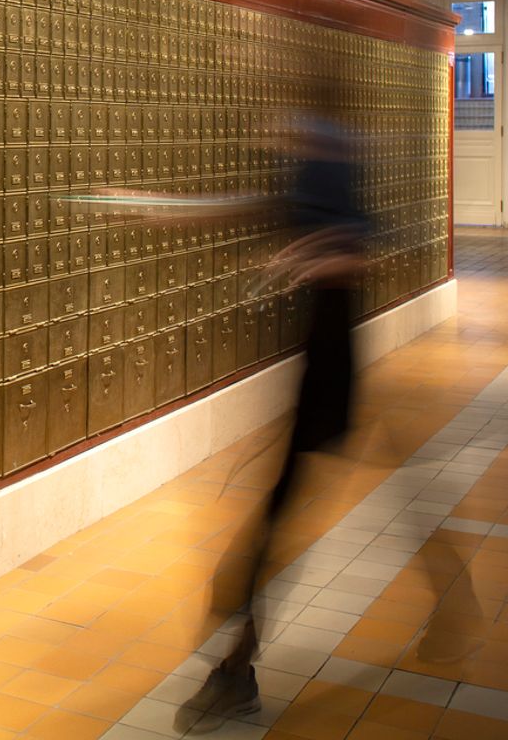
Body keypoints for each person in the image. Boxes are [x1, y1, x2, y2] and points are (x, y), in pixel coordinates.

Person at [172, 82, 369, 733]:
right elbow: (252, 209)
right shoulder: (318, 181)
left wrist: (303, 259)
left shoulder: (329, 178)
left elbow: (347, 253)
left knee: (270, 531)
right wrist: (171, 215)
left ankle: (238, 670)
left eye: (288, 132)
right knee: (274, 525)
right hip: (323, 369)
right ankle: (237, 664)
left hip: (330, 376)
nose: (275, 137)